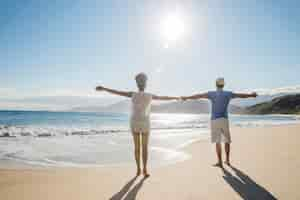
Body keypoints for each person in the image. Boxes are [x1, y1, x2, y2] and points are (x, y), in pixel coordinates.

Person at [96, 73, 179, 177]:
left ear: (137, 84)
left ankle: (138, 169)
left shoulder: (132, 94)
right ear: (145, 84)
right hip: (145, 123)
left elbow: (117, 92)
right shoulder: (150, 95)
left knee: (137, 148)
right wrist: (178, 98)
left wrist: (104, 88)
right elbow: (165, 97)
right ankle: (144, 170)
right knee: (144, 148)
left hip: (135, 121)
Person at [182, 78, 257, 168]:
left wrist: (186, 97)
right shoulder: (228, 94)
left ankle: (220, 162)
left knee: (218, 142)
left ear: (216, 84)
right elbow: (241, 95)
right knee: (227, 141)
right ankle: (228, 160)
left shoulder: (211, 94)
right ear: (223, 85)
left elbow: (199, 96)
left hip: (215, 120)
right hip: (224, 119)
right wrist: (251, 95)